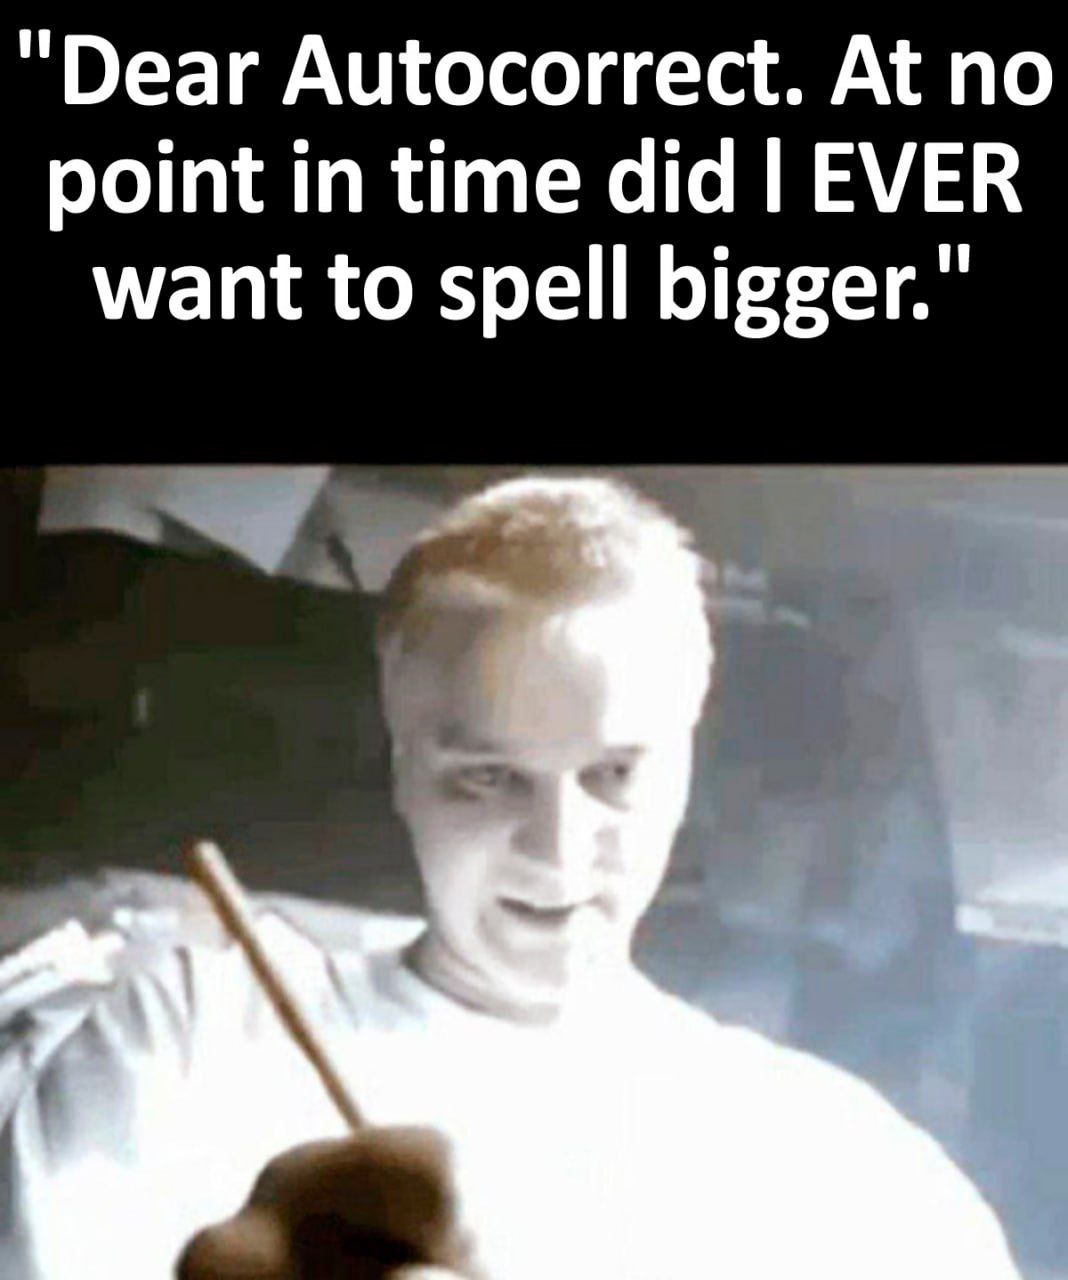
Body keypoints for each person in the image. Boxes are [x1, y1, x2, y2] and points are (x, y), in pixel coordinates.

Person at [1, 477, 1021, 1279]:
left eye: (614, 775)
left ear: (681, 771)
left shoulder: (839, 1164)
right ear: (403, 771)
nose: (558, 848)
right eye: (488, 778)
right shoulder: (184, 1041)